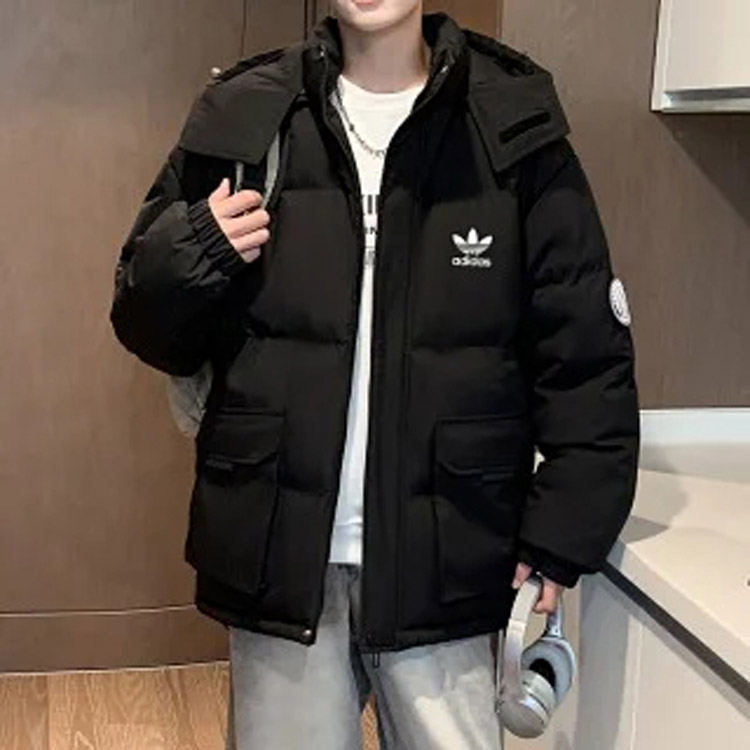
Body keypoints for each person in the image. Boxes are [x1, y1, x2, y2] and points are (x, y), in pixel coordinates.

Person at [110, 1, 640, 747]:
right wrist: (197, 249)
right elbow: (142, 319)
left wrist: (562, 534)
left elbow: (584, 352)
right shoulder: (248, 112)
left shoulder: (510, 125)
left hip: (450, 564)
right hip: (282, 561)